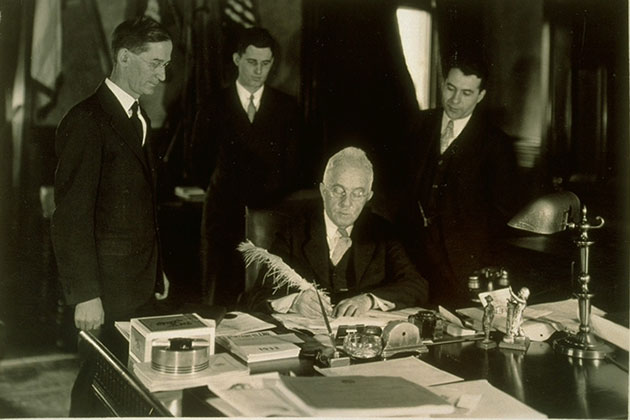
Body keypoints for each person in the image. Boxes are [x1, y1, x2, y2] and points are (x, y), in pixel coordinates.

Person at [51, 17, 172, 415]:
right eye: (155, 63)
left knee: (126, 384)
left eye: (165, 64)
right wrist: (85, 294)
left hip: (136, 283)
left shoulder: (139, 118)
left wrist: (158, 270)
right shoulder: (87, 121)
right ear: (124, 57)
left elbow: (137, 208)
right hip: (104, 287)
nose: (163, 74)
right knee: (98, 380)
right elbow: (70, 217)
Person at [397, 53, 522, 306]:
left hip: (463, 263)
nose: (455, 100)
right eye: (451, 88)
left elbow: (503, 211)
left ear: (481, 95)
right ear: (443, 84)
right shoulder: (417, 124)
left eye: (466, 93)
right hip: (411, 255)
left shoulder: (496, 143)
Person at [243, 147, 428, 318]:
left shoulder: (382, 232)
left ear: (368, 197)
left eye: (357, 193)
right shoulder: (294, 231)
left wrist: (369, 300)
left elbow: (417, 286)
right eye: (338, 191)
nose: (346, 203)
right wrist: (294, 302)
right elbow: (255, 297)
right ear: (324, 191)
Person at [192, 27, 304, 306]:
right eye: (252, 62)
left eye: (266, 64)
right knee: (220, 299)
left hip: (271, 220)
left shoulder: (287, 108)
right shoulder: (212, 106)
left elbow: (295, 168)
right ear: (236, 59)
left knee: (267, 298)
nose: (259, 70)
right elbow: (196, 163)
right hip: (222, 218)